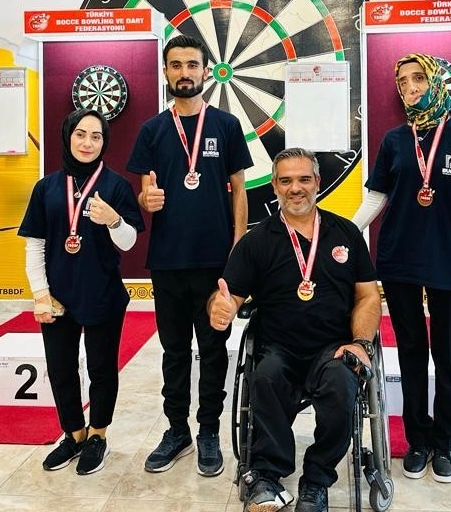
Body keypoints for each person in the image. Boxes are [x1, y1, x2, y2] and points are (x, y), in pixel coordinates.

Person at [208, 147, 381, 512]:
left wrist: (361, 343)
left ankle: (316, 480)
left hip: (334, 348)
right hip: (278, 348)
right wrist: (220, 309)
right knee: (265, 376)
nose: (295, 188)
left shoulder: (346, 233)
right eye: (285, 181)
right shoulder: (256, 241)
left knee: (342, 383)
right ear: (274, 186)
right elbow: (228, 297)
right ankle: (268, 476)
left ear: (318, 182)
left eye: (304, 179)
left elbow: (367, 296)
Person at [351, 53, 451, 484]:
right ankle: (417, 440)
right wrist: (345, 232)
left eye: (418, 78)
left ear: (436, 82)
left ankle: (446, 443)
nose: (410, 87)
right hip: (399, 259)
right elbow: (377, 197)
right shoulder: (395, 139)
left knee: (447, 354)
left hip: (448, 260)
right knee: (411, 352)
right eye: (402, 82)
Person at [126, 34, 252, 477]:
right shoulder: (152, 130)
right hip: (167, 261)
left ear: (206, 71)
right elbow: (144, 192)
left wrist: (238, 246)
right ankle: (177, 430)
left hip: (216, 262)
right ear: (166, 71)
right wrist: (146, 200)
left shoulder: (226, 125)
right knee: (174, 351)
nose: (184, 73)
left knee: (214, 350)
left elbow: (240, 189)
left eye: (192, 65)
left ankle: (209, 431)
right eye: (176, 65)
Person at [18, 108, 145, 475]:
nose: (88, 142)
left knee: (102, 368)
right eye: (81, 134)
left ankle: (97, 436)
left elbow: (128, 243)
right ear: (68, 136)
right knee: (60, 368)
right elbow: (35, 244)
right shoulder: (47, 188)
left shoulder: (116, 186)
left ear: (104, 142)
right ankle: (73, 434)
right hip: (58, 296)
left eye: (96, 136)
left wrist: (114, 221)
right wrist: (40, 294)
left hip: (102, 291)